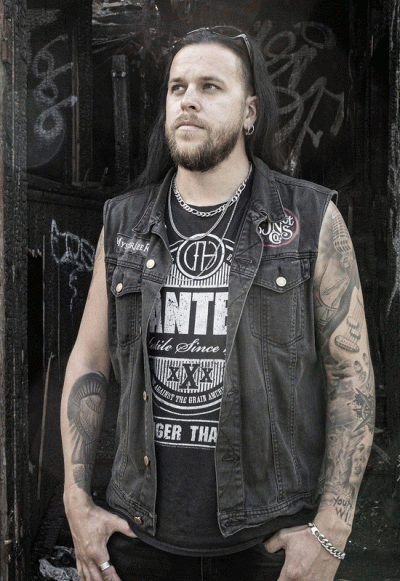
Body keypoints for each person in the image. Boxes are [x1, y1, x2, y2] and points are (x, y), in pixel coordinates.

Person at [61, 27, 375, 581]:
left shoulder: (310, 220)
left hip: (269, 543)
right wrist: (76, 500)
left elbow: (351, 375)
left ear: (250, 112)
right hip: (139, 537)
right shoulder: (125, 222)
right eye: (177, 87)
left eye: (210, 86)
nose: (188, 99)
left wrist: (332, 529)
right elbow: (89, 360)